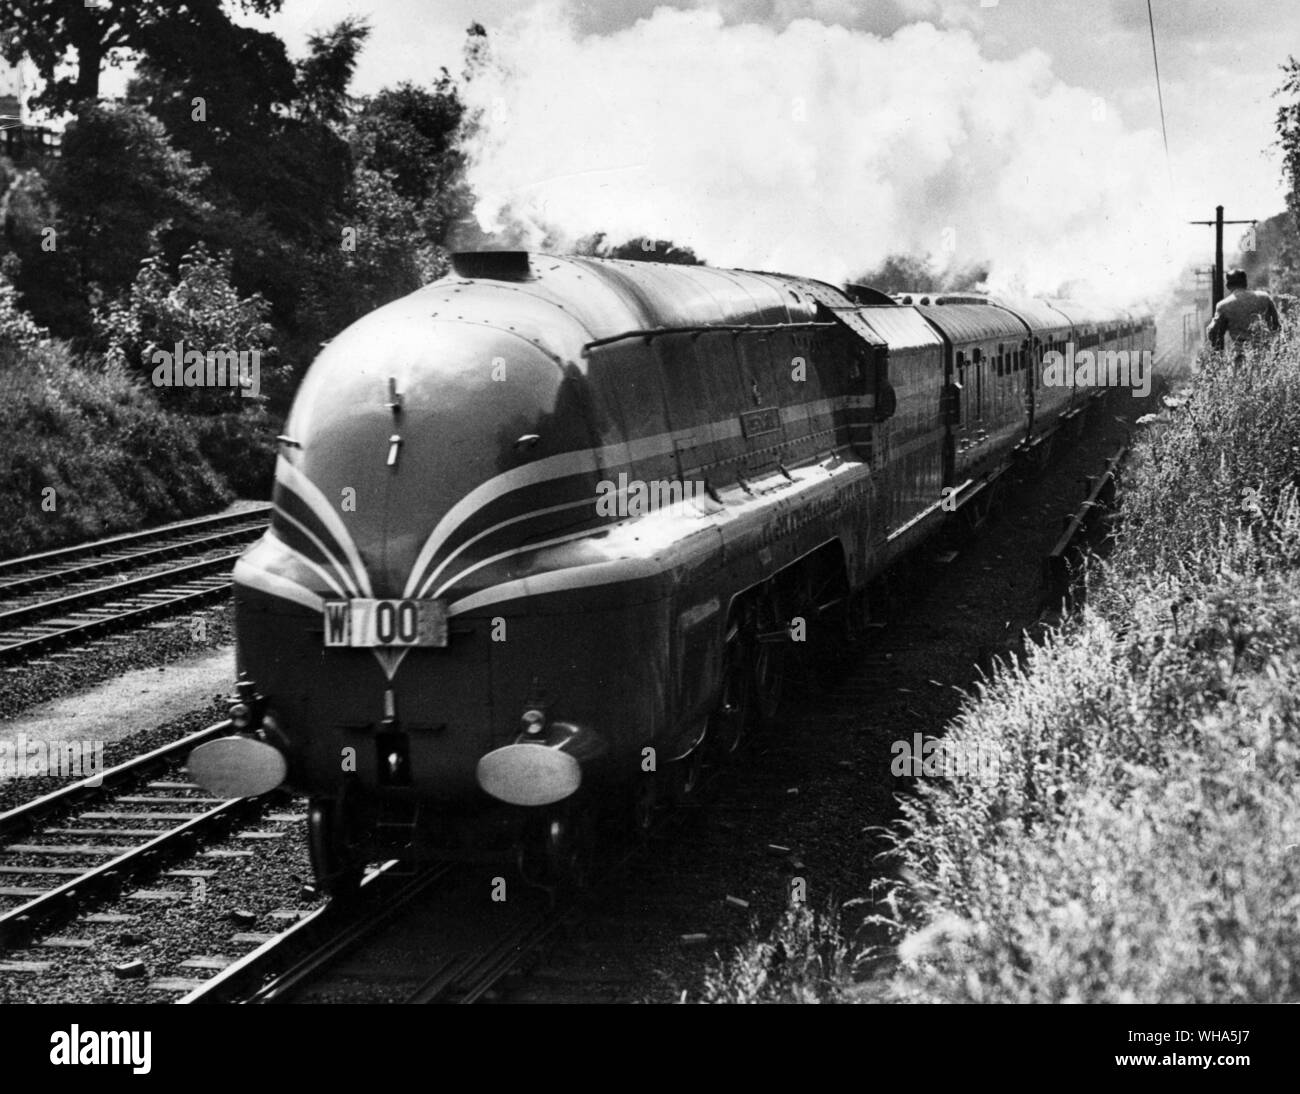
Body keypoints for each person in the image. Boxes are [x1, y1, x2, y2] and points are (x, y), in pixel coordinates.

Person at [1205, 268, 1281, 354]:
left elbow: (1214, 333)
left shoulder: (1223, 305)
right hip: (1265, 354)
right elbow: (1276, 326)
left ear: (1228, 285)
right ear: (1245, 283)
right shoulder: (1264, 298)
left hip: (1241, 356)